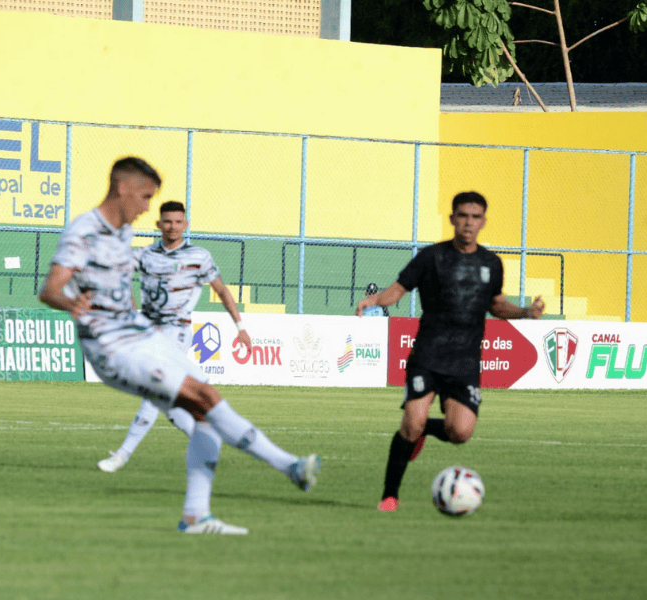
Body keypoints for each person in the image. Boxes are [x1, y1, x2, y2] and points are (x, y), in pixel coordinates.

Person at [39, 157, 321, 534]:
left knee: (205, 407)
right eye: (144, 197)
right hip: (112, 346)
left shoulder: (123, 232)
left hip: (142, 332)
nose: (146, 208)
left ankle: (196, 516)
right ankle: (289, 467)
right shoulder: (84, 231)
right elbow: (50, 289)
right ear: (123, 189)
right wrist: (72, 303)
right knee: (201, 397)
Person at [356, 191, 544, 512]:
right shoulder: (432, 257)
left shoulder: (491, 263)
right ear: (452, 218)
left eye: (475, 217)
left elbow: (495, 304)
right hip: (427, 356)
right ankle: (390, 496)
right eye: (462, 216)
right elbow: (399, 288)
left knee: (460, 432)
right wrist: (376, 300)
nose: (468, 223)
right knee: (411, 423)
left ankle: (422, 431)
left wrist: (525, 312)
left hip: (465, 362)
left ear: (483, 221)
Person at [96, 200, 252, 473]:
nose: (172, 226)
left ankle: (122, 455)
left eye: (178, 222)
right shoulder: (144, 255)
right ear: (158, 224)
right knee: (169, 403)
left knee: (152, 391)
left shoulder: (199, 257)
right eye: (167, 221)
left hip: (177, 332)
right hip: (149, 332)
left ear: (186, 225)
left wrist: (241, 328)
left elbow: (223, 291)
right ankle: (206, 443)